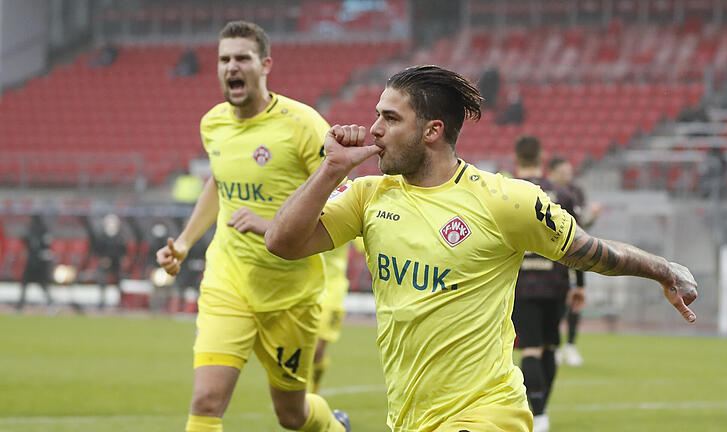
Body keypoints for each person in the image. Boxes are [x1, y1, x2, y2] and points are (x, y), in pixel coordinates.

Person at [261, 65, 698, 432]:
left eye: (390, 119)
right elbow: (281, 242)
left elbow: (589, 250)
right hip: (411, 416)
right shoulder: (368, 196)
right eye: (377, 115)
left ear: (432, 131)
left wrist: (665, 269)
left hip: (488, 413)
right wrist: (330, 168)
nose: (373, 129)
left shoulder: (506, 200)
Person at [155, 21, 349, 432]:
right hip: (229, 283)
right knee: (206, 401)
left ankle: (335, 427)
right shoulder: (213, 124)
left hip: (290, 294)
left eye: (241, 58)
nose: (231, 67)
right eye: (224, 59)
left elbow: (339, 195)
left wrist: (272, 226)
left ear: (265, 65)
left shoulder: (302, 123)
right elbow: (219, 181)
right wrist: (186, 242)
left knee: (292, 416)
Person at [510, 138, 576, 431]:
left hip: (522, 283)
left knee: (531, 349)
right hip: (556, 282)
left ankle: (537, 414)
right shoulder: (561, 193)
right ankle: (543, 411)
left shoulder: (505, 191)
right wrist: (580, 284)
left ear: (516, 158)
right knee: (549, 347)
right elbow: (578, 242)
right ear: (543, 156)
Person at [547, 156, 603, 368]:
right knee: (554, 301)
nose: (568, 175)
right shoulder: (542, 191)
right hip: (548, 254)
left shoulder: (575, 193)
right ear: (552, 171)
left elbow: (581, 224)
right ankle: (553, 343)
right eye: (564, 171)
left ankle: (569, 345)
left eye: (569, 171)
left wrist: (593, 216)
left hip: (573, 253)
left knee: (574, 298)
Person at [308, 242, 351, 393]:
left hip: (333, 291)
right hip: (306, 288)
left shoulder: (345, 218)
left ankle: (312, 391)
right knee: (300, 346)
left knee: (317, 349)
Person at [17, 214, 55, 311]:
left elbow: (44, 247)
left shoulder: (37, 231)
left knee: (30, 284)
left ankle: (20, 306)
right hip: (35, 262)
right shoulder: (40, 230)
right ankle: (51, 304)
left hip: (35, 262)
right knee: (34, 284)